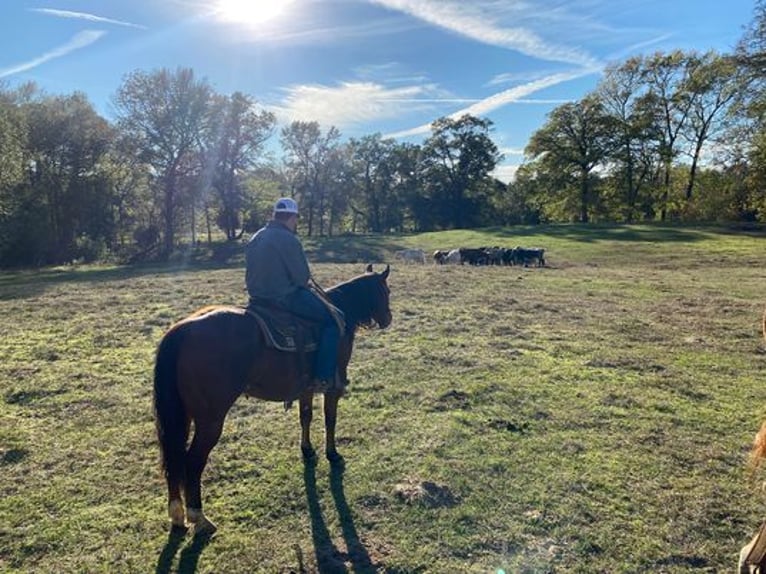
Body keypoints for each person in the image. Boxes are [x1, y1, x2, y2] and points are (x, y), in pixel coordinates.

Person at [245, 197, 343, 392]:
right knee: (335, 320)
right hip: (284, 297)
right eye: (296, 219)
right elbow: (301, 278)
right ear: (292, 218)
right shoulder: (289, 239)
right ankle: (323, 378)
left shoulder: (256, 237)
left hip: (256, 299)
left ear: (275, 215)